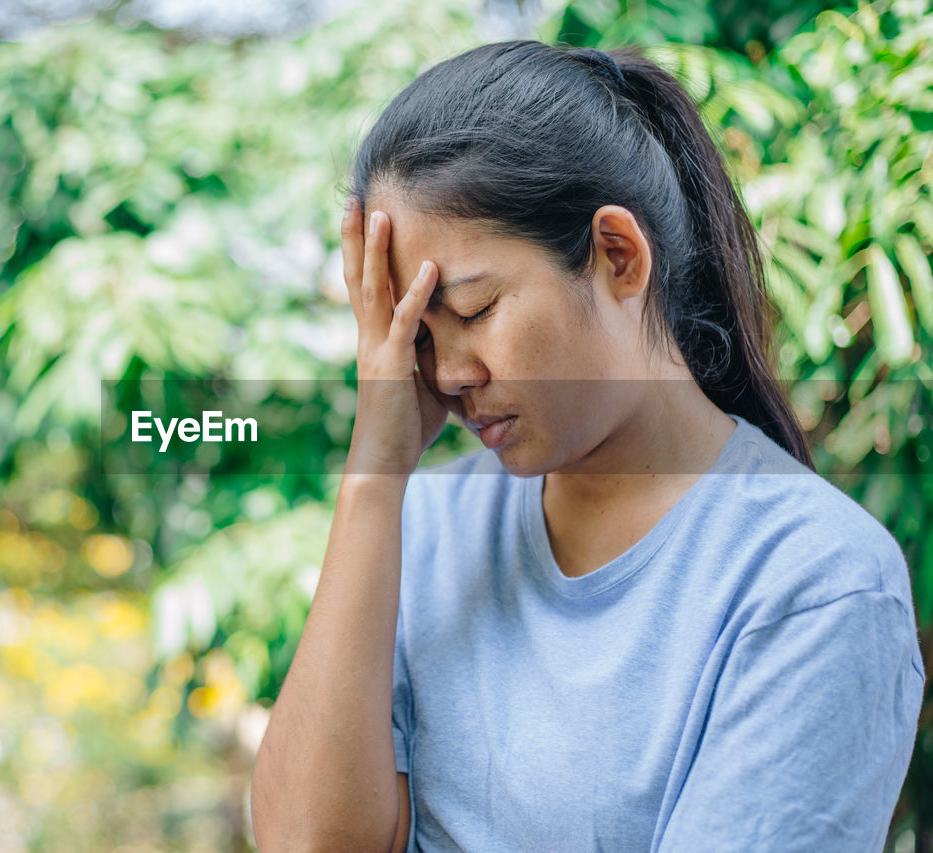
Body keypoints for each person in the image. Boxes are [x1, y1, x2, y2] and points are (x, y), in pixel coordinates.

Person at [248, 40, 924, 852]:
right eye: (417, 339)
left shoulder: (813, 578)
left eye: (473, 309)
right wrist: (373, 478)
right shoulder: (422, 525)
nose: (451, 373)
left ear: (617, 255)